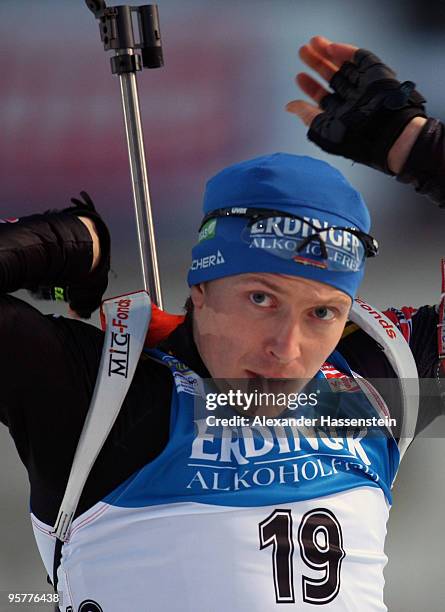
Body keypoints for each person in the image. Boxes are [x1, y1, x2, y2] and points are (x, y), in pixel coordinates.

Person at [0, 36, 444, 611]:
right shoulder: (100, 394)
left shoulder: (377, 381)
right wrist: (53, 246)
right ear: (202, 289)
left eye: (322, 313)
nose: (287, 348)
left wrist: (422, 151)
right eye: (261, 298)